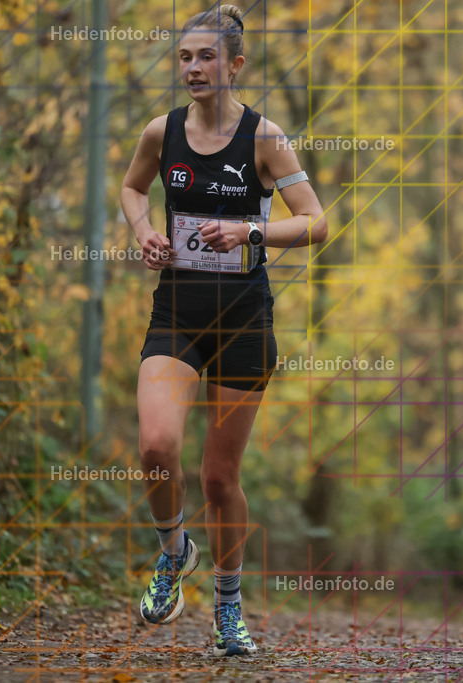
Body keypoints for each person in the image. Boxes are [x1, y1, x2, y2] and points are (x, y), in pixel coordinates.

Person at [119, 4, 327, 656]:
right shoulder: (162, 132)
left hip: (243, 320)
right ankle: (173, 552)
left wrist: (249, 230)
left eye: (206, 57)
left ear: (235, 64)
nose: (193, 68)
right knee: (157, 446)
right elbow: (132, 189)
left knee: (218, 478)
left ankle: (229, 606)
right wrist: (144, 231)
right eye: (184, 57)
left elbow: (316, 222)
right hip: (177, 313)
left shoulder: (265, 139)